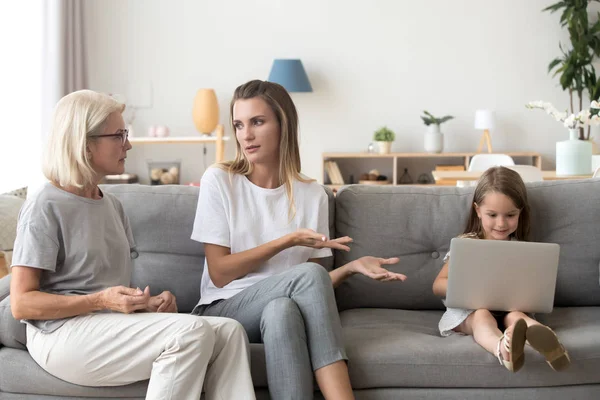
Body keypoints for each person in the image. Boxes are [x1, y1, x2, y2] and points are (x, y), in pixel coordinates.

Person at [10, 90, 255, 400]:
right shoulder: (45, 205)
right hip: (60, 335)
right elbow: (22, 303)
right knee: (190, 332)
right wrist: (101, 301)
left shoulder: (112, 205)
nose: (128, 144)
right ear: (84, 144)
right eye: (119, 135)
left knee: (228, 332)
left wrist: (146, 304)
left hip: (104, 327)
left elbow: (112, 293)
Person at [191, 79, 407, 400]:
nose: (245, 135)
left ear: (283, 124)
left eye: (258, 122)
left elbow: (313, 289)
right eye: (238, 124)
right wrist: (287, 241)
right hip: (222, 311)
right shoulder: (220, 180)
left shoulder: (311, 195)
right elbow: (220, 272)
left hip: (276, 308)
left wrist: (351, 268)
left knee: (283, 311)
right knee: (305, 277)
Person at [432, 166, 571, 373]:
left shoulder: (520, 248)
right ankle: (502, 350)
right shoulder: (467, 245)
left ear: (520, 212)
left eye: (510, 215)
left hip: (509, 308)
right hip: (470, 311)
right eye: (492, 214)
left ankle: (547, 342)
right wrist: (468, 287)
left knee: (517, 317)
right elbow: (437, 285)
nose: (501, 223)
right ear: (478, 210)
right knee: (481, 316)